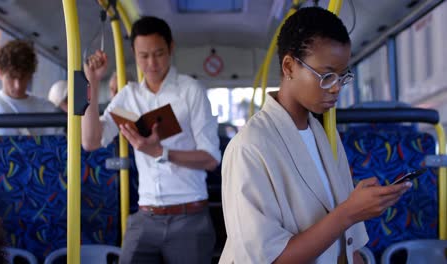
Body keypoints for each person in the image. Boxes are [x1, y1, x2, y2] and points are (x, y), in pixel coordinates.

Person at [220, 7, 412, 264]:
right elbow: (270, 259)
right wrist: (350, 212)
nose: (335, 88)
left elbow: (347, 245)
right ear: (289, 67)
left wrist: (356, 207)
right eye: (326, 75)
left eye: (342, 76)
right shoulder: (249, 147)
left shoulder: (324, 135)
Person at [82, 16, 220, 264]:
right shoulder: (129, 97)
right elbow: (90, 141)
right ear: (134, 53)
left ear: (171, 48)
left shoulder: (190, 92)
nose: (152, 63)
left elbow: (210, 159)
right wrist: (91, 81)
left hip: (189, 215)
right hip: (145, 216)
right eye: (143, 56)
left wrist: (160, 152)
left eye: (158, 54)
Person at [0, 40, 63, 138]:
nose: (17, 85)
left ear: (30, 75)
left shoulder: (49, 109)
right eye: (11, 77)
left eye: (23, 77)